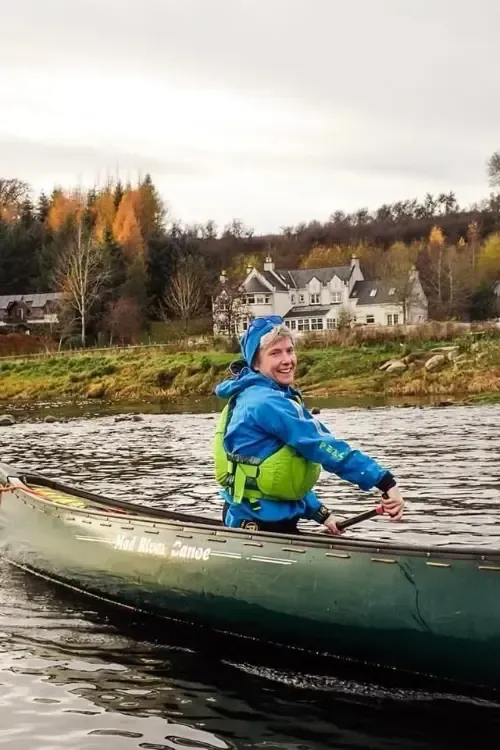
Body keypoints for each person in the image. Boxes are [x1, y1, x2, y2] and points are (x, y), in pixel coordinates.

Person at [213, 315, 405, 534]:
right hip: (256, 526)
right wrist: (385, 482)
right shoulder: (265, 402)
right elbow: (323, 447)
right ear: (255, 363)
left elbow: (279, 474)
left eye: (289, 350)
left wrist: (321, 514)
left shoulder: (263, 395)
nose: (287, 360)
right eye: (275, 353)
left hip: (269, 518)